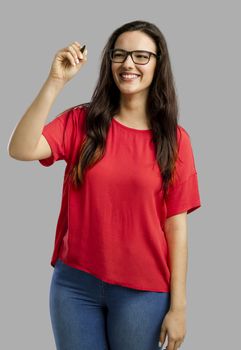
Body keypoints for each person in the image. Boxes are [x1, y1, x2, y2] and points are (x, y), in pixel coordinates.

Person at [8, 20, 201, 350]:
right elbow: (21, 148)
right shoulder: (81, 122)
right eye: (120, 54)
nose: (128, 64)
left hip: (143, 292)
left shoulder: (175, 141)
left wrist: (179, 306)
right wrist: (55, 82)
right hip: (74, 287)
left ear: (158, 64)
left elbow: (176, 227)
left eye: (141, 56)